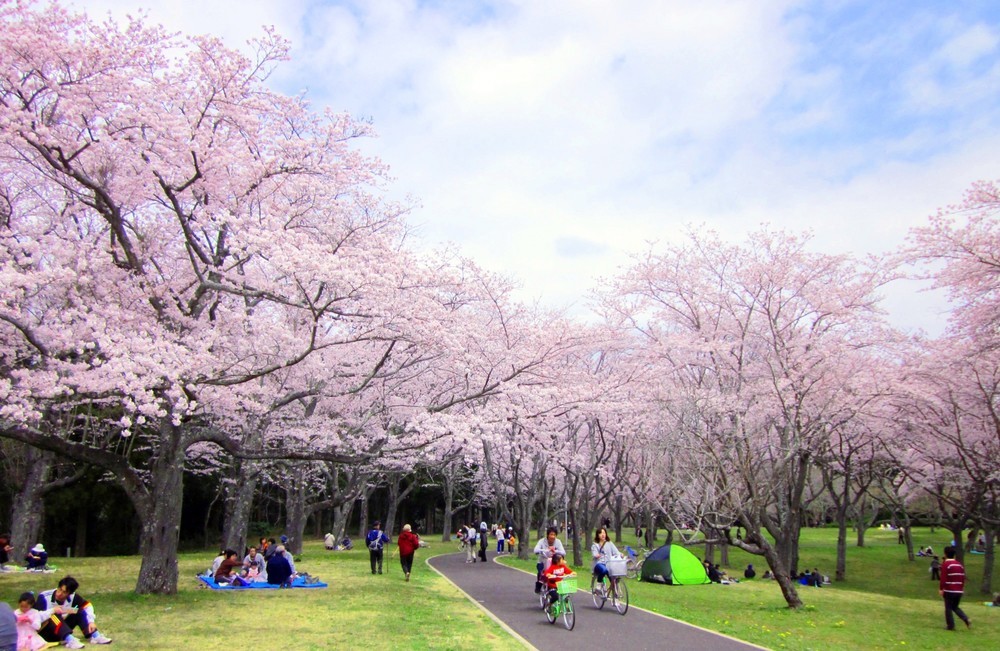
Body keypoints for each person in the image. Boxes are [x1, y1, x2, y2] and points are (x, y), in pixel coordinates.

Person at [34, 576, 112, 646]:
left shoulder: (73, 597)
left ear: (69, 594)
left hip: (61, 628)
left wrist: (91, 621)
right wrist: (52, 611)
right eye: (60, 589)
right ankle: (70, 640)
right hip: (45, 632)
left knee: (79, 611)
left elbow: (87, 606)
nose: (60, 593)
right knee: (54, 616)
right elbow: (35, 617)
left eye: (64, 592)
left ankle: (95, 635)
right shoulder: (44, 597)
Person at [939, 545, 970, 630]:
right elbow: (962, 577)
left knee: (948, 608)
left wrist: (941, 589)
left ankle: (950, 625)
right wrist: (961, 588)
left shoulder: (946, 564)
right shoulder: (959, 565)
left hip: (949, 590)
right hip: (959, 590)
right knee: (955, 606)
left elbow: (943, 578)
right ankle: (965, 618)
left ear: (945, 554)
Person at [533, 527, 566, 594]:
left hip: (553, 562)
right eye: (551, 534)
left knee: (558, 573)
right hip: (543, 561)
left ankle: (557, 587)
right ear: (548, 535)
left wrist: (555, 551)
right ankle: (539, 585)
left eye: (554, 535)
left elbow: (563, 552)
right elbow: (535, 550)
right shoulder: (542, 541)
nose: (552, 537)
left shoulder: (558, 542)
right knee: (541, 573)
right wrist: (543, 550)